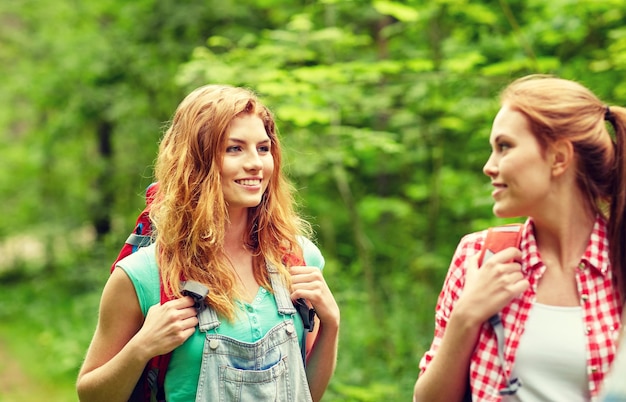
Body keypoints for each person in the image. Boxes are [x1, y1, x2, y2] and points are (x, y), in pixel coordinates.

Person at [76, 84, 340, 402]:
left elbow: (307, 394)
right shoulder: (143, 276)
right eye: (234, 149)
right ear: (196, 162)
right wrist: (141, 348)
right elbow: (91, 396)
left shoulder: (297, 259)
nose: (256, 163)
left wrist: (331, 325)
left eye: (263, 148)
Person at [413, 75, 626, 402]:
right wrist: (466, 317)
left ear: (558, 158)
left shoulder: (620, 266)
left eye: (504, 147)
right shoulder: (479, 257)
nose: (489, 166)